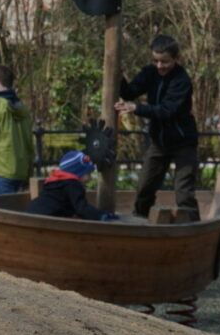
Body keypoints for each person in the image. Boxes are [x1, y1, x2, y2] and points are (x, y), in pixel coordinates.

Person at [115, 33, 200, 221]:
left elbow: (166, 110)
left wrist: (136, 108)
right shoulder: (150, 72)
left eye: (165, 62)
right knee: (145, 186)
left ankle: (194, 228)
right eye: (155, 61)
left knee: (183, 192)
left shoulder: (182, 80)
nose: (160, 66)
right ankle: (140, 221)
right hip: (159, 141)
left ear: (176, 59)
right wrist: (119, 77)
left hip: (182, 142)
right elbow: (130, 92)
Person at [0, 64, 34, 195]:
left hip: (2, 170)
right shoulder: (23, 109)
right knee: (16, 214)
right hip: (21, 171)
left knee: (1, 213)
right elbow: (29, 143)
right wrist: (29, 172)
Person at [25, 150, 115, 221]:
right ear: (77, 173)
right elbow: (82, 208)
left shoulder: (53, 182)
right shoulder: (73, 185)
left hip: (32, 212)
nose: (90, 178)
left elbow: (64, 205)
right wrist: (101, 215)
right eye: (88, 174)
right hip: (48, 217)